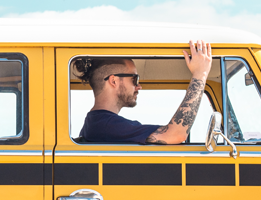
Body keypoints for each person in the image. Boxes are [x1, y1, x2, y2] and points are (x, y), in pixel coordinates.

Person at [77, 40, 213, 144]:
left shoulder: (96, 123)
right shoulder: (106, 125)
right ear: (114, 81)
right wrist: (200, 73)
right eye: (134, 79)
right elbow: (176, 134)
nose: (139, 86)